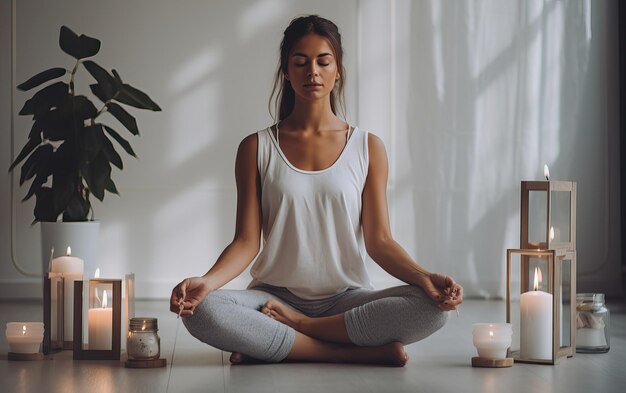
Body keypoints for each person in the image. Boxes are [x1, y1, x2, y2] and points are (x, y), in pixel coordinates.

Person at [170, 15, 463, 367]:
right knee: (203, 311)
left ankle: (291, 336)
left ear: (338, 70)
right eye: (300, 62)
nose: (313, 71)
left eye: (324, 61)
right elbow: (247, 242)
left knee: (433, 310)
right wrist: (207, 281)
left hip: (345, 301)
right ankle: (347, 352)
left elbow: (380, 241)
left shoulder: (368, 147)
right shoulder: (256, 147)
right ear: (286, 72)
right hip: (270, 299)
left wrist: (424, 277)